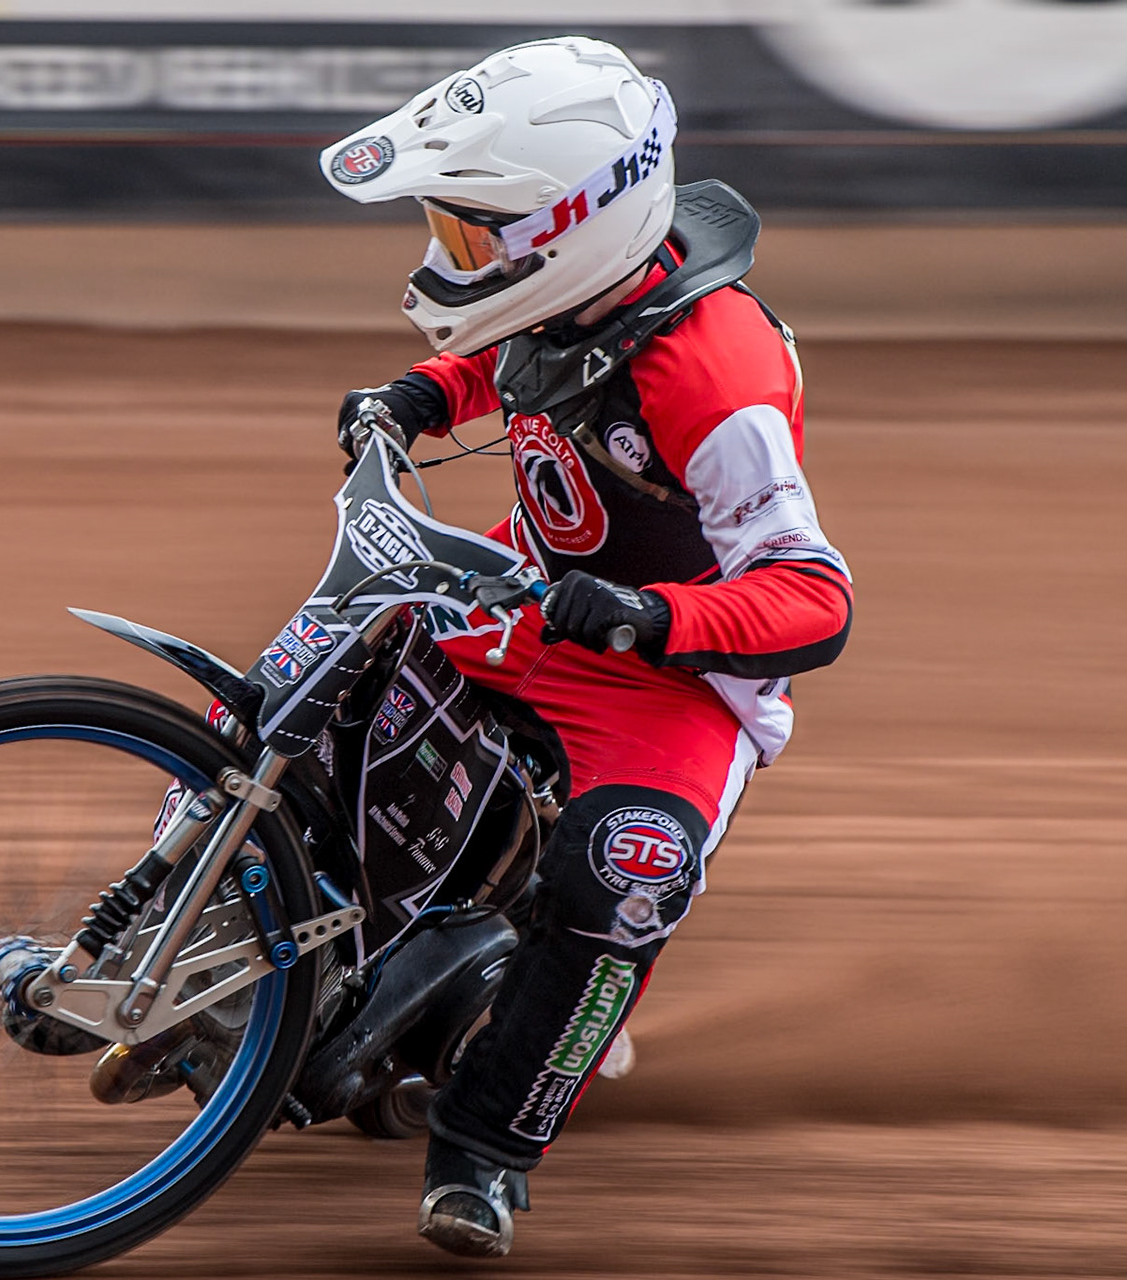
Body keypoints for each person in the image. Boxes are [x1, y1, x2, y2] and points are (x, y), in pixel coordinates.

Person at [319, 37, 853, 1258]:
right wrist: (417, 396)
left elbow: (814, 595)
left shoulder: (719, 374)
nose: (451, 256)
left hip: (677, 684)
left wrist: (652, 616)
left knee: (623, 872)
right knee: (321, 667)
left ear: (570, 225)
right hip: (529, 601)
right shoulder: (573, 285)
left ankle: (487, 1149)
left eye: (471, 236)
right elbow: (506, 357)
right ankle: (204, 933)